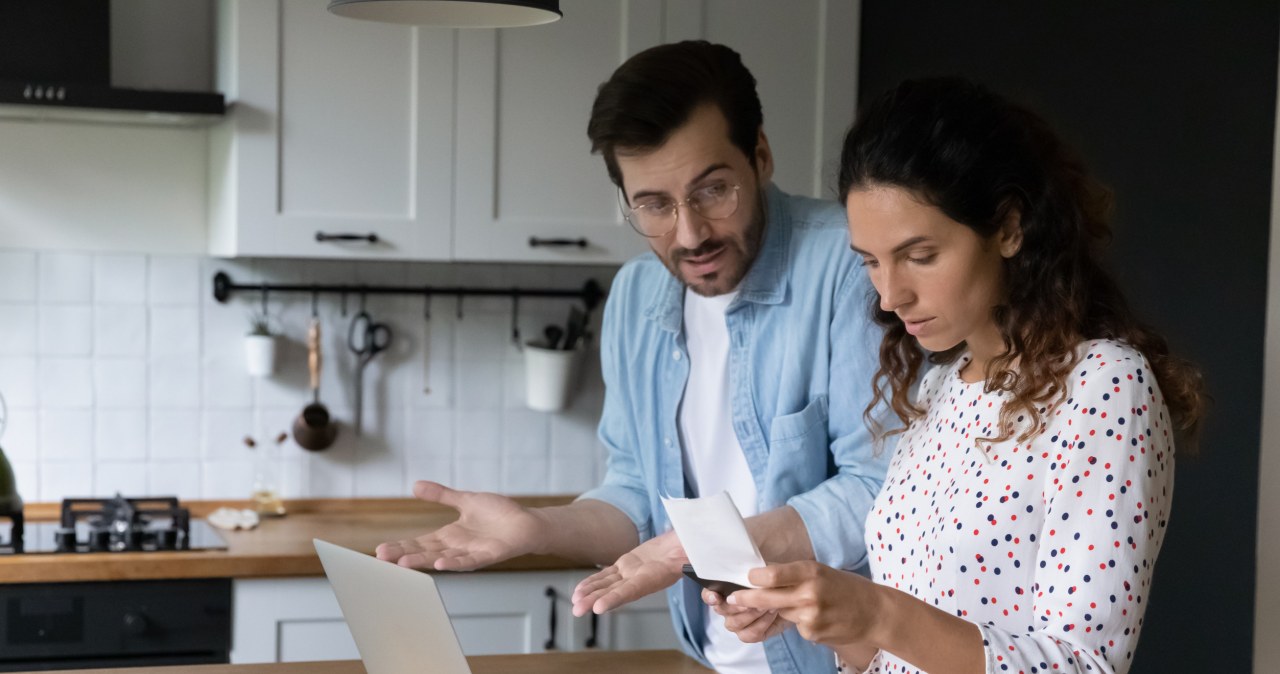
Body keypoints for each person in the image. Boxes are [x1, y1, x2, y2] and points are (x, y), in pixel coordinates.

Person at [375, 41, 889, 673]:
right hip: (708, 655)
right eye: (654, 205)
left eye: (713, 190)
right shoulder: (634, 296)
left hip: (840, 661)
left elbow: (879, 489)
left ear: (760, 156)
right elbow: (635, 493)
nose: (690, 233)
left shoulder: (851, 264)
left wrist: (692, 549)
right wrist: (539, 529)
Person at [706, 77, 1206, 674]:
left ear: (1009, 228)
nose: (890, 295)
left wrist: (877, 614)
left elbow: (1084, 665)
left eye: (920, 256)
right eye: (870, 262)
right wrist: (824, 620)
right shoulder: (940, 387)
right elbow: (900, 657)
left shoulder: (1104, 388)